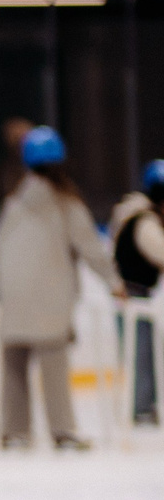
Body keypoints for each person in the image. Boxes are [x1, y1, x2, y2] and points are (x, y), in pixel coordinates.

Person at [0, 126, 121, 451]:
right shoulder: (66, 204)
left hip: (14, 296)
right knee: (54, 365)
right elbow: (91, 248)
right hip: (51, 296)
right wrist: (114, 282)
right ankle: (62, 430)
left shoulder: (13, 204)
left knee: (14, 364)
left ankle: (14, 431)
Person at [107, 159, 164, 426]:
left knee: (141, 350)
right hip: (133, 294)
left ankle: (143, 404)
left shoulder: (133, 213)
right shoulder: (145, 219)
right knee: (140, 351)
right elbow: (159, 251)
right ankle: (141, 407)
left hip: (132, 293)